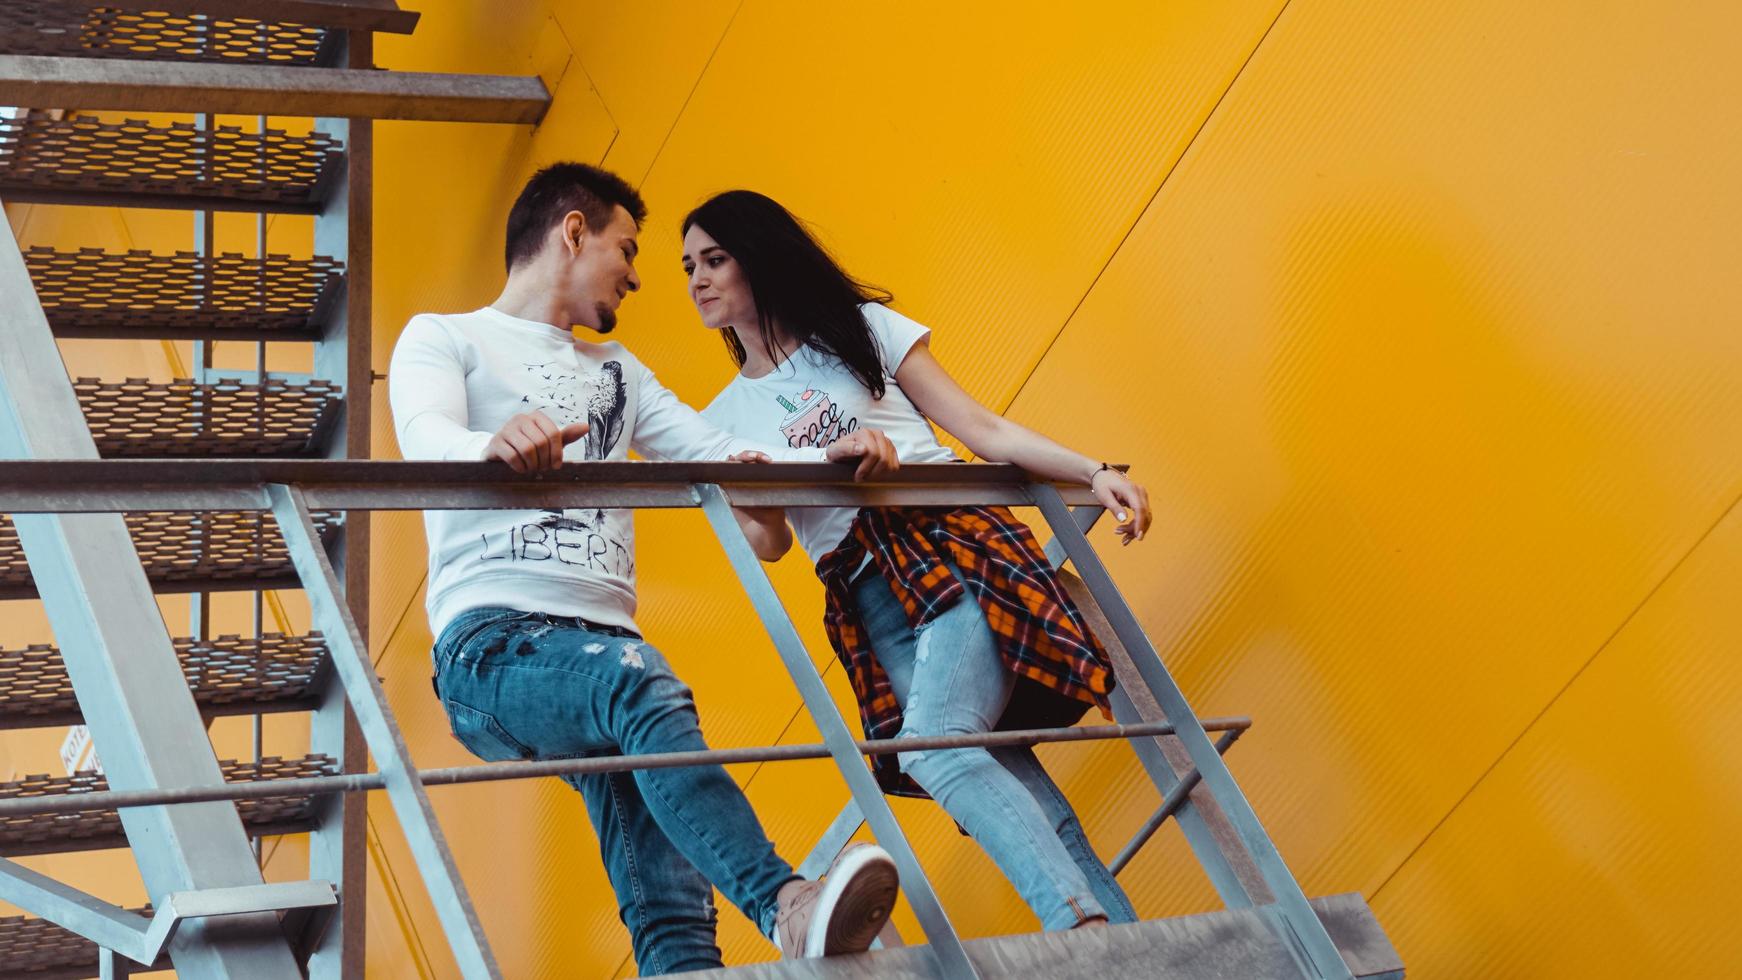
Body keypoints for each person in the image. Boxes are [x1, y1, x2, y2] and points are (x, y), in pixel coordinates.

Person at [387, 164, 907, 974]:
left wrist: (824, 454)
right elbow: (423, 434)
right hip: (492, 653)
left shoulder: (618, 372)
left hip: (600, 656)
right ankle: (785, 903)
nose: (636, 274)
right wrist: (486, 446)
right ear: (571, 233)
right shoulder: (445, 336)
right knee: (639, 681)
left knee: (671, 904)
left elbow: (718, 455)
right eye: (625, 249)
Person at [684, 190, 1154, 932]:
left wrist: (1089, 470)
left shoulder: (860, 330)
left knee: (935, 747)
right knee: (1000, 776)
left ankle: (1080, 933)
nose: (697, 281)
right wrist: (769, 504)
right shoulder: (716, 420)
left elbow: (979, 425)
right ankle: (1126, 948)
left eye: (715, 259)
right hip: (860, 593)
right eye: (687, 268)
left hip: (944, 545)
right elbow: (768, 545)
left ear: (760, 255)